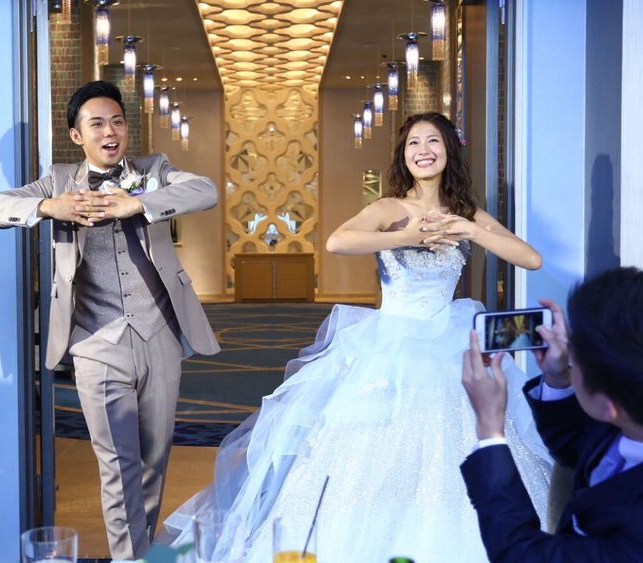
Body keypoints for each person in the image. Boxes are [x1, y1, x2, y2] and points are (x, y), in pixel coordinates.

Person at [159, 112, 551, 562]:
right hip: (391, 345)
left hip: (449, 341)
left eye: (433, 141)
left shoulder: (467, 215)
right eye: (414, 144)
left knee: (454, 445)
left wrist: (470, 229)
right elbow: (338, 242)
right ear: (404, 156)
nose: (423, 151)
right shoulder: (388, 208)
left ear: (449, 151)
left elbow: (531, 259)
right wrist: (406, 236)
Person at [0, 80, 219, 560]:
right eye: (97, 124)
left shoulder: (153, 171)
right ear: (76, 135)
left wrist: (139, 203)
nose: (110, 132)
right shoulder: (58, 181)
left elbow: (205, 190)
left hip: (159, 335)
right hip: (95, 343)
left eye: (117, 122)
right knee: (117, 464)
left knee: (153, 460)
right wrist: (48, 207)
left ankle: (139, 553)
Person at [460, 267, 643, 561]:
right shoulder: (629, 414)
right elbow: (578, 448)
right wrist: (559, 378)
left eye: (575, 360)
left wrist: (490, 428)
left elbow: (520, 554)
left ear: (610, 406)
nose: (568, 354)